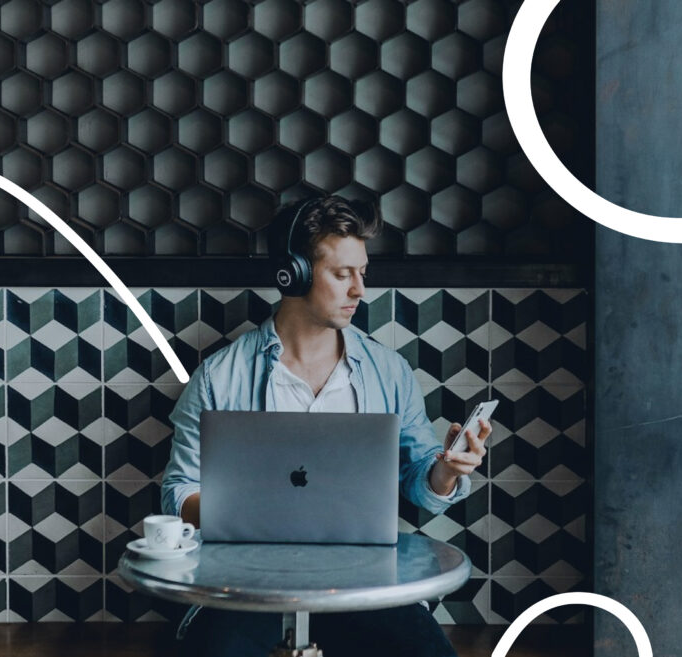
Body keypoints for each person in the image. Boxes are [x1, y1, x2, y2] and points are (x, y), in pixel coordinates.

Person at [160, 195, 492, 657]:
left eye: (363, 273)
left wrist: (447, 471)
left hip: (365, 585)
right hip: (246, 587)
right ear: (292, 274)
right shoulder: (219, 376)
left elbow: (421, 483)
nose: (359, 290)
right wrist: (246, 514)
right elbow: (178, 492)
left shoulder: (389, 372)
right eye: (342, 274)